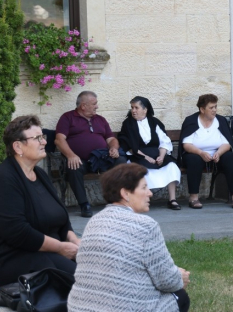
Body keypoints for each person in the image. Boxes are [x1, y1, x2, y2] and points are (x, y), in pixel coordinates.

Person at [68, 163, 190, 312]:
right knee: (180, 296)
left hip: (79, 308)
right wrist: (180, 277)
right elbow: (168, 281)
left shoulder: (94, 221)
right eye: (144, 188)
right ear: (125, 194)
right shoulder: (146, 226)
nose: (150, 193)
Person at [0, 115, 79, 286]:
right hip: (17, 256)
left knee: (100, 267)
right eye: (37, 138)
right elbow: (17, 232)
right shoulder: (5, 178)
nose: (44, 142)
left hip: (51, 249)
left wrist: (74, 241)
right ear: (17, 146)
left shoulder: (40, 175)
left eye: (43, 137)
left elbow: (61, 219)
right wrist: (60, 248)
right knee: (85, 281)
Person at [55, 91, 127, 217]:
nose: (97, 106)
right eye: (94, 104)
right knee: (73, 167)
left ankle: (118, 201)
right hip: (81, 160)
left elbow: (111, 139)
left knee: (121, 161)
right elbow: (59, 139)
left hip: (101, 158)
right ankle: (84, 205)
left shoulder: (100, 119)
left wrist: (114, 148)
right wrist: (71, 155)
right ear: (83, 106)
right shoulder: (67, 117)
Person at [178, 94, 233, 209]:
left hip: (217, 153)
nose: (214, 110)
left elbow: (227, 143)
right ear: (202, 109)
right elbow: (186, 145)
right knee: (194, 160)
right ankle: (194, 198)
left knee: (231, 158)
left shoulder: (221, 121)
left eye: (215, 107)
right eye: (211, 108)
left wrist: (219, 153)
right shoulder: (191, 121)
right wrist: (201, 153)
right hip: (196, 153)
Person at [118, 96, 182, 210]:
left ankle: (172, 200)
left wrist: (161, 157)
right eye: (132, 107)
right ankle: (140, 201)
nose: (133, 110)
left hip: (157, 154)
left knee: (171, 166)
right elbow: (128, 145)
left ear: (145, 109)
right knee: (137, 170)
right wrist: (146, 157)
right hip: (138, 156)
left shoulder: (154, 122)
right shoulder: (128, 124)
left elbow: (164, 141)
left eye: (136, 107)